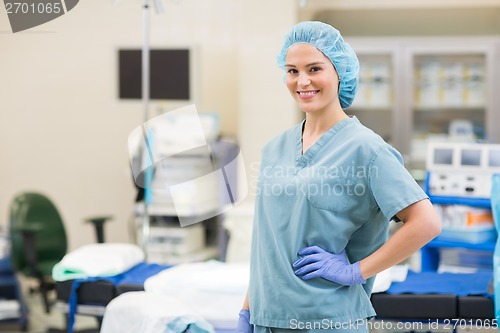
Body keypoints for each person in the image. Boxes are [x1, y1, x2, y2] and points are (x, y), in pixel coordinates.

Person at [236, 21, 442, 333]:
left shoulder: (366, 148)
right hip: (267, 317)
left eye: (314, 68)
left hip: (328, 320)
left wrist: (355, 272)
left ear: (339, 73)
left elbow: (426, 222)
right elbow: (267, 242)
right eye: (292, 71)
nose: (302, 80)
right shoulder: (275, 148)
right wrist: (247, 311)